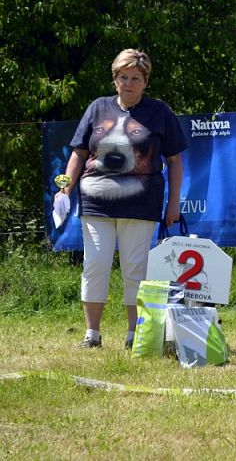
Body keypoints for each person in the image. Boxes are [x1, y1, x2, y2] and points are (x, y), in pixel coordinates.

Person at [56, 49, 187, 349]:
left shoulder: (160, 112)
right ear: (115, 79)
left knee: (134, 267)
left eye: (135, 78)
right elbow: (78, 153)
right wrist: (64, 189)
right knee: (95, 264)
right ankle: (92, 335)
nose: (128, 84)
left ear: (145, 82)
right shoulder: (97, 108)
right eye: (123, 77)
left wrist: (173, 203)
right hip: (95, 201)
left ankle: (134, 334)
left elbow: (176, 161)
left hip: (141, 204)